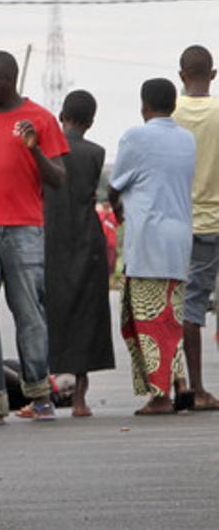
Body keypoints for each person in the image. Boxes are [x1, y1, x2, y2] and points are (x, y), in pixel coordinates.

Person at [0, 50, 68, 427]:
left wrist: (34, 149)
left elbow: (58, 178)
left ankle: (38, 395)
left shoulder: (40, 119)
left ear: (9, 80)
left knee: (29, 315)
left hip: (23, 228)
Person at [108, 78, 195, 415]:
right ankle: (180, 383)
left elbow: (116, 184)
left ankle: (161, 397)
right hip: (179, 239)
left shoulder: (136, 136)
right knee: (169, 317)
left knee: (147, 321)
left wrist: (116, 206)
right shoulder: (186, 139)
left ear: (144, 105)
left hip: (149, 241)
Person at [32, 90, 113, 419]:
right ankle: (80, 399)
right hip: (86, 237)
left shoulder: (47, 151)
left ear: (61, 116)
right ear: (91, 122)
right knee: (86, 315)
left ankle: (43, 394)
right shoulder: (96, 153)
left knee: (45, 314)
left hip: (49, 236)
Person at [171, 45, 219, 410]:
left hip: (187, 224)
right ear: (213, 75)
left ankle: (197, 387)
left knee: (191, 309)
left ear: (181, 75)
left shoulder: (170, 115)